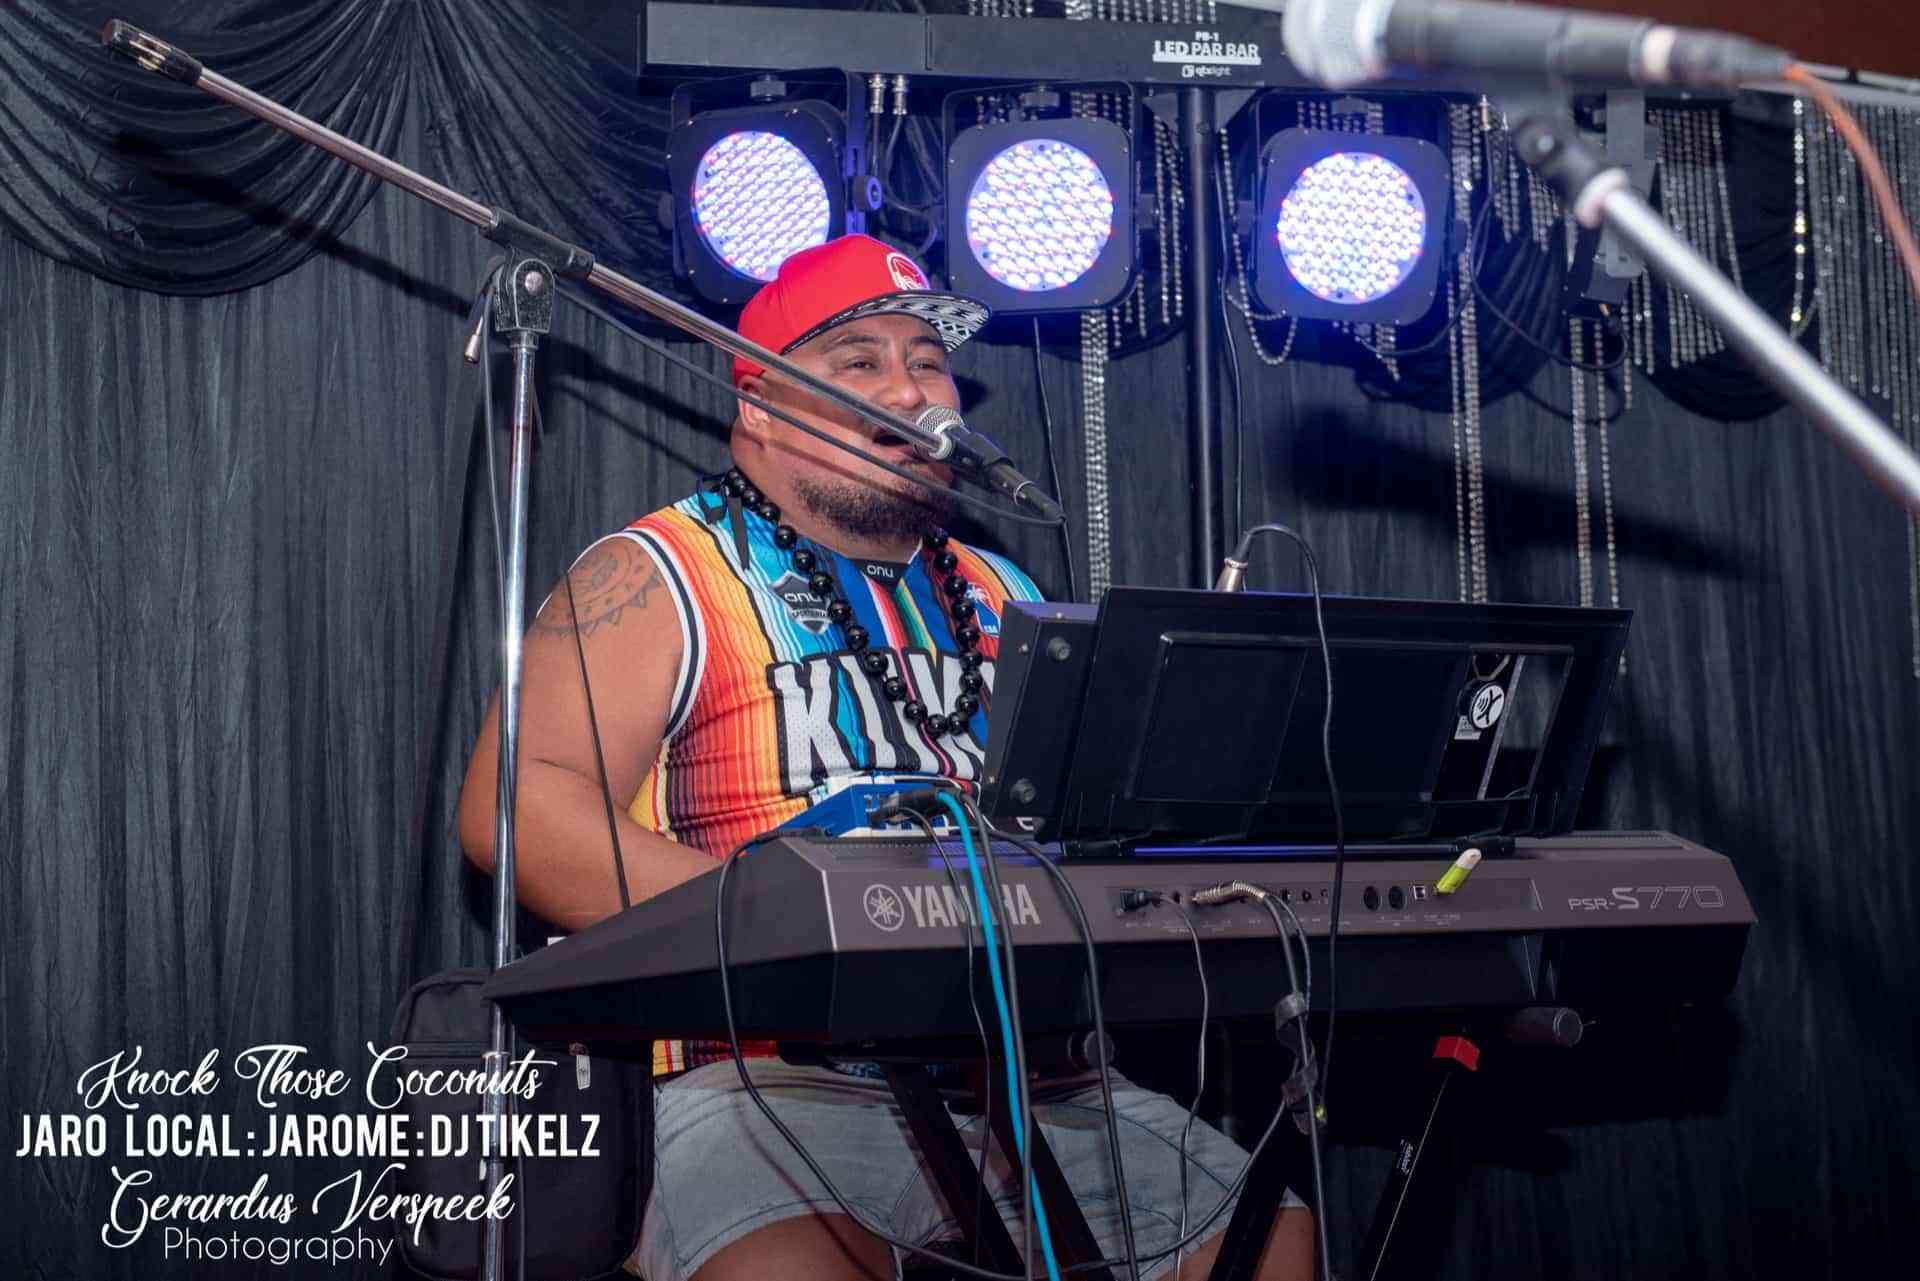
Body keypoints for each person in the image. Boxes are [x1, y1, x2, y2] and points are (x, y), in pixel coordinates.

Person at [458, 234, 1314, 1281]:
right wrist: (788, 935)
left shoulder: (1001, 591)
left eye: (927, 362)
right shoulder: (659, 570)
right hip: (765, 1082)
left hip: (1029, 1086)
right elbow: (516, 808)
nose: (909, 390)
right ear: (758, 406)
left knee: (1268, 1233)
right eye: (858, 361)